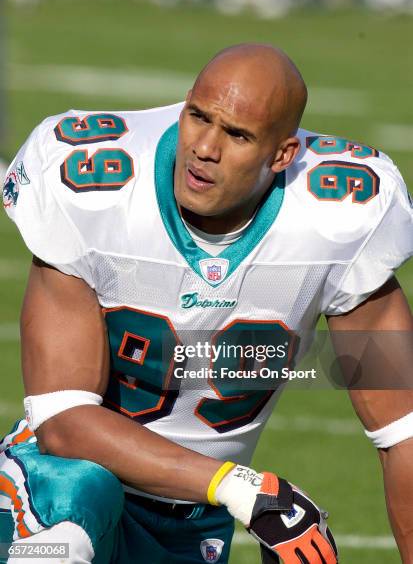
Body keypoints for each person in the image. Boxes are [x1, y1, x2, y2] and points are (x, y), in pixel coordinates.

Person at [0, 43, 412, 564]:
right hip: (50, 495)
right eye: (198, 117)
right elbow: (63, 422)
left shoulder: (341, 222)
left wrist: (238, 494)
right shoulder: (96, 188)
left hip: (194, 523)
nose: (205, 148)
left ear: (283, 154)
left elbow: (404, 431)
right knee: (73, 512)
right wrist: (247, 489)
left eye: (237, 135)